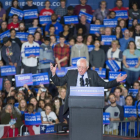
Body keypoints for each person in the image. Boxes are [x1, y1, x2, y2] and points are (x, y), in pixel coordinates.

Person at [50, 58, 127, 114]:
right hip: (74, 104)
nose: (80, 70)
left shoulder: (93, 74)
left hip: (90, 104)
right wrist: (53, 73)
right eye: (79, 67)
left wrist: (116, 81)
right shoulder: (70, 73)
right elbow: (59, 82)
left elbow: (105, 85)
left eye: (82, 67)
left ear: (87, 67)